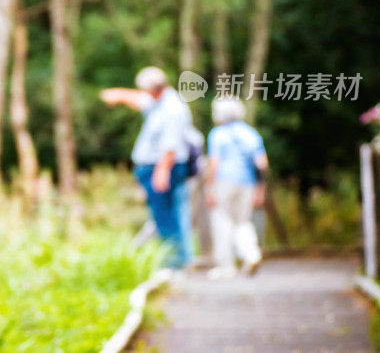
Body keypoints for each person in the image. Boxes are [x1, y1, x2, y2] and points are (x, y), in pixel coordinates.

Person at [101, 66, 194, 268]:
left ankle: (174, 263)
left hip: (163, 168)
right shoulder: (158, 101)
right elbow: (138, 100)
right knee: (166, 215)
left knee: (166, 216)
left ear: (154, 89)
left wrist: (162, 172)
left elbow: (171, 144)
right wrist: (118, 95)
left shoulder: (173, 107)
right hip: (157, 167)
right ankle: (177, 260)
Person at [205, 97, 268, 278]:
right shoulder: (250, 133)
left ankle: (226, 266)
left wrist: (210, 188)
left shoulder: (218, 134)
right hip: (247, 183)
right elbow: (262, 164)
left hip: (224, 181)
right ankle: (251, 254)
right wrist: (260, 190)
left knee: (222, 220)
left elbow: (214, 164)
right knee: (243, 221)